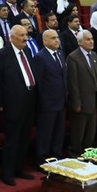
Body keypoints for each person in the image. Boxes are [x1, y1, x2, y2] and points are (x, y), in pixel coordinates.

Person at [0, 24, 37, 186]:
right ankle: (7, 172)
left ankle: (19, 168)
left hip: (29, 100)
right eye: (21, 36)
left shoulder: (28, 52)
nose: (25, 38)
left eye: (26, 35)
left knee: (25, 137)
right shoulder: (2, 55)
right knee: (12, 138)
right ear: (11, 38)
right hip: (11, 103)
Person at [66, 30, 97, 157]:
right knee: (78, 132)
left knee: (90, 132)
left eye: (92, 39)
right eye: (88, 39)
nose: (91, 41)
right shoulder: (73, 57)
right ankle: (75, 154)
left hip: (93, 100)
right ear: (79, 42)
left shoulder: (94, 55)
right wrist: (76, 103)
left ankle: (87, 153)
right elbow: (73, 83)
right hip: (81, 102)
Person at [33, 29, 68, 166]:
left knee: (59, 132)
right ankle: (42, 159)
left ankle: (56, 156)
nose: (57, 40)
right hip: (47, 103)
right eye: (53, 38)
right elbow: (39, 82)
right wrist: (42, 102)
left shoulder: (60, 54)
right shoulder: (40, 57)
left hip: (61, 101)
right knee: (45, 133)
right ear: (45, 41)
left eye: (57, 37)